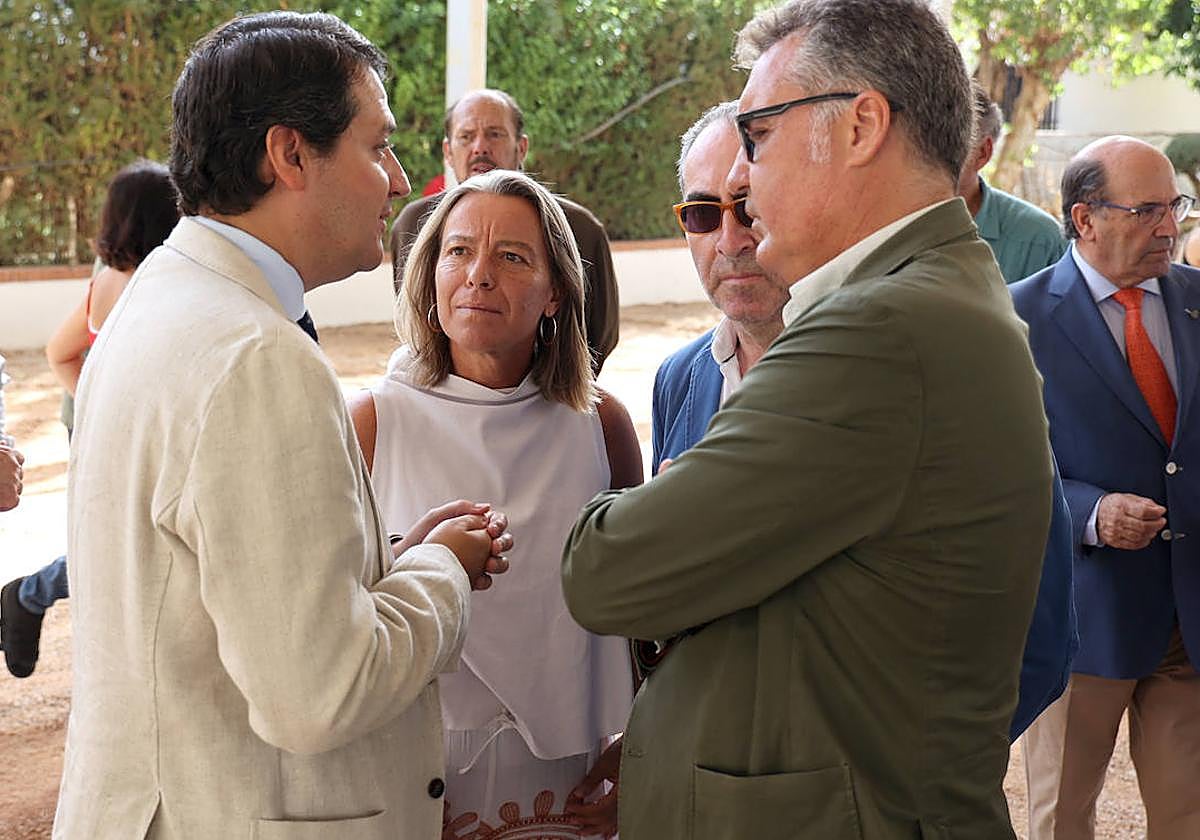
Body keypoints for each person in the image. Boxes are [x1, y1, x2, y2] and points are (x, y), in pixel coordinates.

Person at [561, 1, 1055, 836]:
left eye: (758, 134)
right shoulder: (933, 294)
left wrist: (650, 509)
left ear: (861, 125)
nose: (743, 177)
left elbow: (605, 569)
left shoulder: (878, 327)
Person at [54, 13, 512, 840]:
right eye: (378, 147)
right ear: (290, 154)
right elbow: (322, 693)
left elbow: (207, 588)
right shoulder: (256, 355)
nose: (399, 180)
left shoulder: (163, 296)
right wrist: (443, 569)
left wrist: (381, 563)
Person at [650, 99, 1076, 737]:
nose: (730, 239)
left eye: (748, 206)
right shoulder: (681, 379)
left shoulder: (919, 362)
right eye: (703, 213)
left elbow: (1040, 628)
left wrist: (905, 771)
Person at [350, 169, 640, 840]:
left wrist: (639, 748)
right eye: (458, 250)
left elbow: (640, 613)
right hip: (417, 768)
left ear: (556, 292)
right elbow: (332, 608)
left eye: (511, 257)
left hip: (570, 767)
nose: (479, 275)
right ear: (430, 276)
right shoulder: (371, 422)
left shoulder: (601, 424)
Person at [1013, 136, 1200, 840]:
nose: (1169, 226)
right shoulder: (1016, 320)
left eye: (1175, 206)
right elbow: (997, 473)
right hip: (1080, 622)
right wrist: (1089, 511)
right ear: (1084, 219)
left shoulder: (1197, 302)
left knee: (1187, 817)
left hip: (1189, 619)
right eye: (1147, 210)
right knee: (1061, 819)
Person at [1, 160, 180, 680]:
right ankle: (30, 595)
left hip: (102, 429)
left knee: (125, 541)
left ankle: (29, 596)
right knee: (127, 545)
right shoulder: (153, 285)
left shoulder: (106, 279)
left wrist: (98, 409)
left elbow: (60, 353)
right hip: (122, 436)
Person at [389, 89, 620, 373]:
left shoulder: (579, 228)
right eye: (466, 136)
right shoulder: (414, 224)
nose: (480, 147)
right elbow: (414, 316)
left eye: (495, 134)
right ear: (448, 152)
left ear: (521, 147)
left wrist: (543, 388)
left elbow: (598, 335)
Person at [957, 83, 1066, 283]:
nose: (925, 155)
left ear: (982, 153)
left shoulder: (1040, 240)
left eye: (949, 142)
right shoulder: (897, 222)